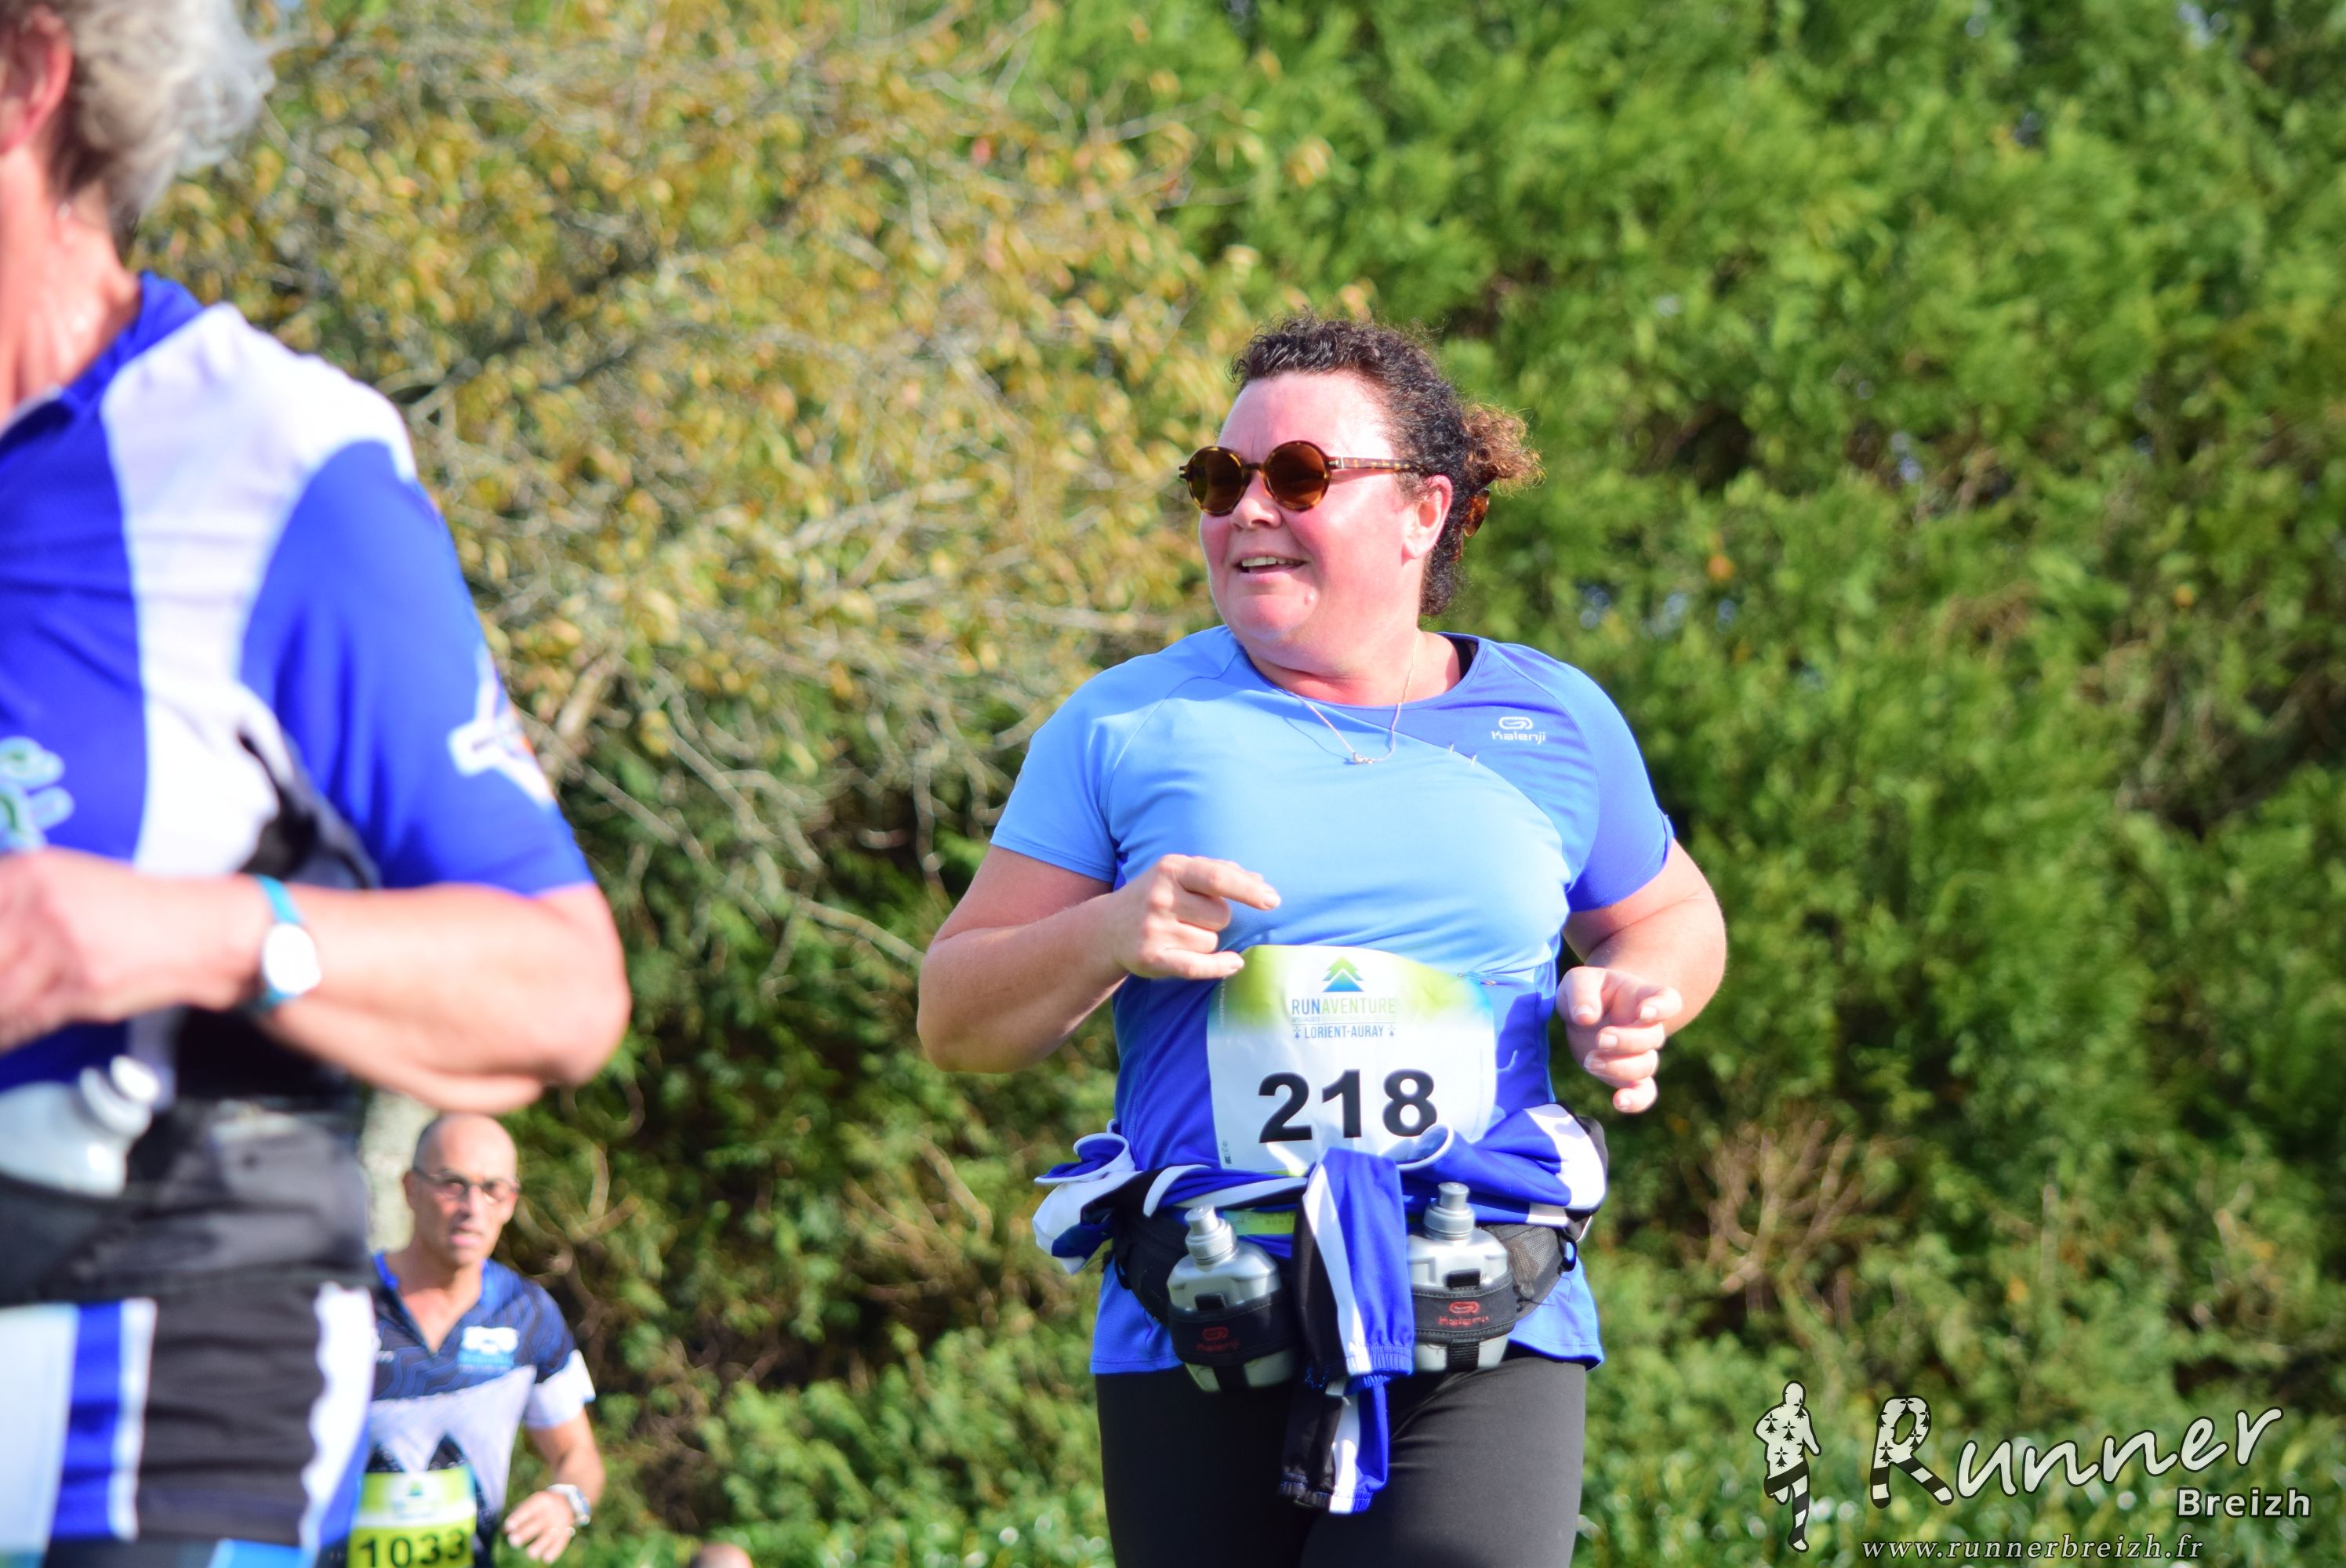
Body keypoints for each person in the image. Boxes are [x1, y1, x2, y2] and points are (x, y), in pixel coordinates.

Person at [919, 318, 1726, 1568]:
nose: (1249, 509)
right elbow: (956, 1019)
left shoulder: (1553, 718)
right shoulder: (1125, 723)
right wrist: (1106, 934)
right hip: (1205, 1315)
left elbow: (1669, 915)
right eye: (1218, 478)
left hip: (1481, 1305)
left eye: (1298, 477)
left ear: (1423, 511)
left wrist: (1633, 995)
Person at [0, 0, 631, 1558]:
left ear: (27, 75)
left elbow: (560, 987)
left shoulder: (268, 462)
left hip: (141, 1417)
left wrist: (191, 932)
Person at [358, 1116, 604, 1568]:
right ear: (410, 1188)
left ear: (511, 1202)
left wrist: (566, 1500)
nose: (473, 1207)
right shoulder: (342, 1303)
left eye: (493, 1189)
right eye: (452, 1184)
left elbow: (579, 1455)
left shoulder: (528, 1314)